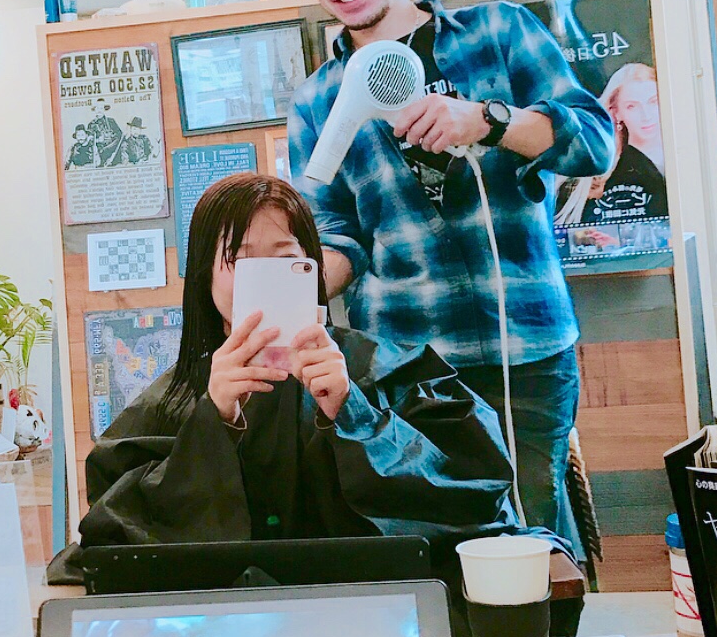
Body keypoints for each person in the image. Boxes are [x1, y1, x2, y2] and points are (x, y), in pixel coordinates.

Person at [281, 0, 615, 550]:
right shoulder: (317, 102)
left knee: (533, 550)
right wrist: (279, 293)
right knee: (430, 549)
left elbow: (594, 142)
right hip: (407, 368)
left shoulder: (500, 33)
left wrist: (488, 121)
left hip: (526, 351)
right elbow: (335, 237)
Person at [58, 173, 542, 585]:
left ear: (310, 267)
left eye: (283, 256)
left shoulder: (388, 368)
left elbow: (475, 491)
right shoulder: (174, 395)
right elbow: (116, 530)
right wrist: (213, 424)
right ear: (205, 274)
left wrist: (353, 414)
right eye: (240, 258)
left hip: (368, 611)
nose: (264, 273)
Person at [555, 63, 667, 228]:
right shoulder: (597, 171)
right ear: (616, 112)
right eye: (632, 106)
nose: (646, 115)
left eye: (653, 101)